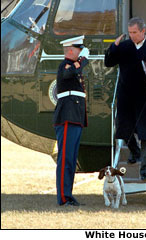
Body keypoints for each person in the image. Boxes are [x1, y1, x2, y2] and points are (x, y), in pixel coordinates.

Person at [105, 17, 146, 181]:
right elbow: (108, 63)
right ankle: (135, 152)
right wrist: (113, 47)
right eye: (130, 32)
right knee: (124, 128)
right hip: (126, 95)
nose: (132, 35)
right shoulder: (124, 47)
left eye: (134, 32)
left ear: (143, 31)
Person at [53, 35, 89, 206]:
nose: (81, 53)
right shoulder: (65, 66)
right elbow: (69, 73)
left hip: (75, 117)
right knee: (65, 158)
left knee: (71, 159)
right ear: (70, 50)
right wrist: (81, 62)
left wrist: (81, 62)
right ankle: (63, 197)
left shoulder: (74, 66)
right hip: (67, 116)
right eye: (79, 50)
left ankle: (68, 194)